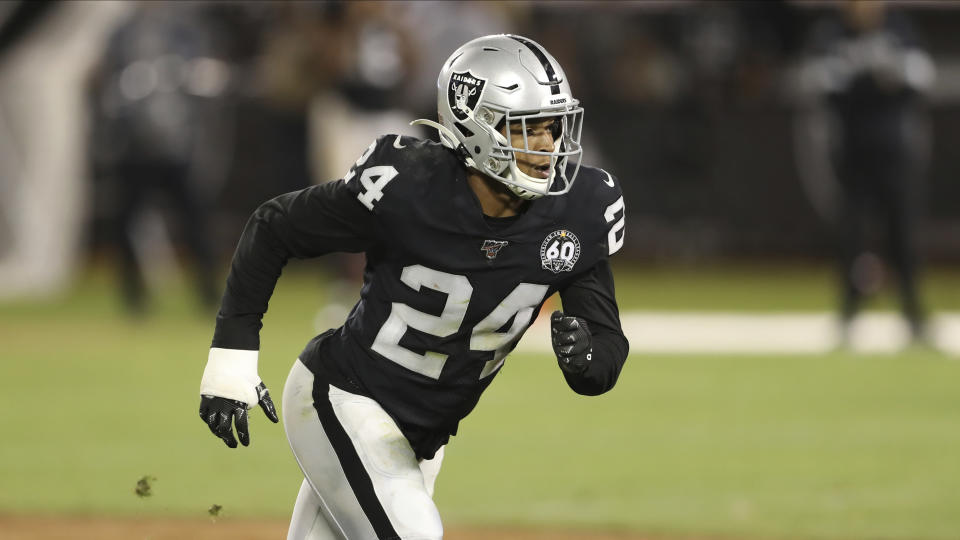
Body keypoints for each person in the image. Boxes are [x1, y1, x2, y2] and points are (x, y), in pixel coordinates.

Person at [198, 34, 629, 539]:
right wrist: (229, 361)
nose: (548, 145)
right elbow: (274, 227)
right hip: (343, 397)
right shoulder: (408, 187)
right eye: (527, 127)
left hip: (422, 436)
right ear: (476, 126)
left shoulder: (579, 213)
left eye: (554, 126)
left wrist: (586, 360)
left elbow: (605, 350)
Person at [801, 0, 935, 346]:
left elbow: (922, 76)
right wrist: (863, 77)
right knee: (852, 237)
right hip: (854, 153)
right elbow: (820, 82)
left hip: (893, 153)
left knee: (902, 237)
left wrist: (888, 72)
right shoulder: (832, 33)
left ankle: (914, 316)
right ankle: (848, 315)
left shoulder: (899, 29)